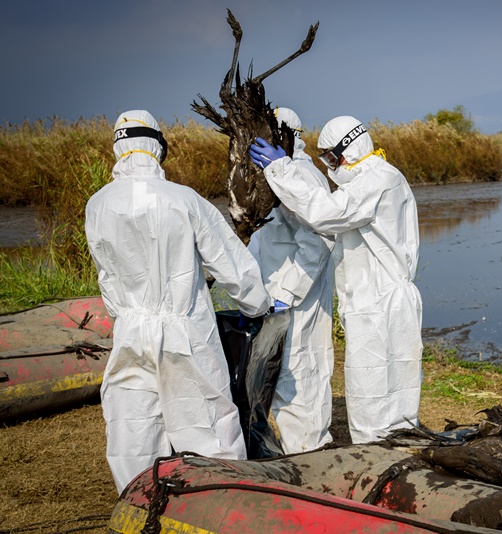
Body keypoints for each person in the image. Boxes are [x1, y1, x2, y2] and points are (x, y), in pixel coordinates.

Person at [85, 110, 272, 494]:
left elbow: (106, 275)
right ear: (159, 148)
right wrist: (258, 306)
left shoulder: (98, 205)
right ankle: (219, 502)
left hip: (130, 330)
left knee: (133, 426)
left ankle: (140, 504)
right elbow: (231, 261)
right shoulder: (183, 200)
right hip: (184, 330)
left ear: (119, 148)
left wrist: (124, 316)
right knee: (206, 422)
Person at [250, 115, 423, 444]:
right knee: (394, 386)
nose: (330, 167)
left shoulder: (377, 180)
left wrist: (281, 169)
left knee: (372, 392)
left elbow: (324, 213)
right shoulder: (378, 178)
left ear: (350, 148)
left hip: (379, 302)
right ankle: (395, 454)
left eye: (331, 157)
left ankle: (376, 461)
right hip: (383, 300)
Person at [247, 107, 336, 453]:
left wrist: (287, 292)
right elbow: (263, 238)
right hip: (274, 299)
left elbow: (320, 239)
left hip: (300, 296)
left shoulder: (300, 175)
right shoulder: (274, 174)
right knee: (279, 376)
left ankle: (310, 454)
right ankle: (291, 453)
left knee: (302, 372)